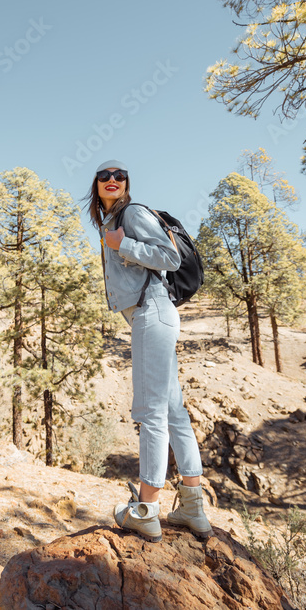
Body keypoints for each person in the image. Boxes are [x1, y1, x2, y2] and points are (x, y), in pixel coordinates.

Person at [86, 159, 212, 542]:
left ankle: (146, 509)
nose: (112, 179)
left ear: (127, 184)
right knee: (173, 411)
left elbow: (170, 258)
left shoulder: (133, 214)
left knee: (151, 412)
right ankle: (193, 507)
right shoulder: (111, 222)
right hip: (153, 314)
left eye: (119, 175)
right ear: (96, 184)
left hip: (152, 312)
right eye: (104, 175)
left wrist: (122, 244)